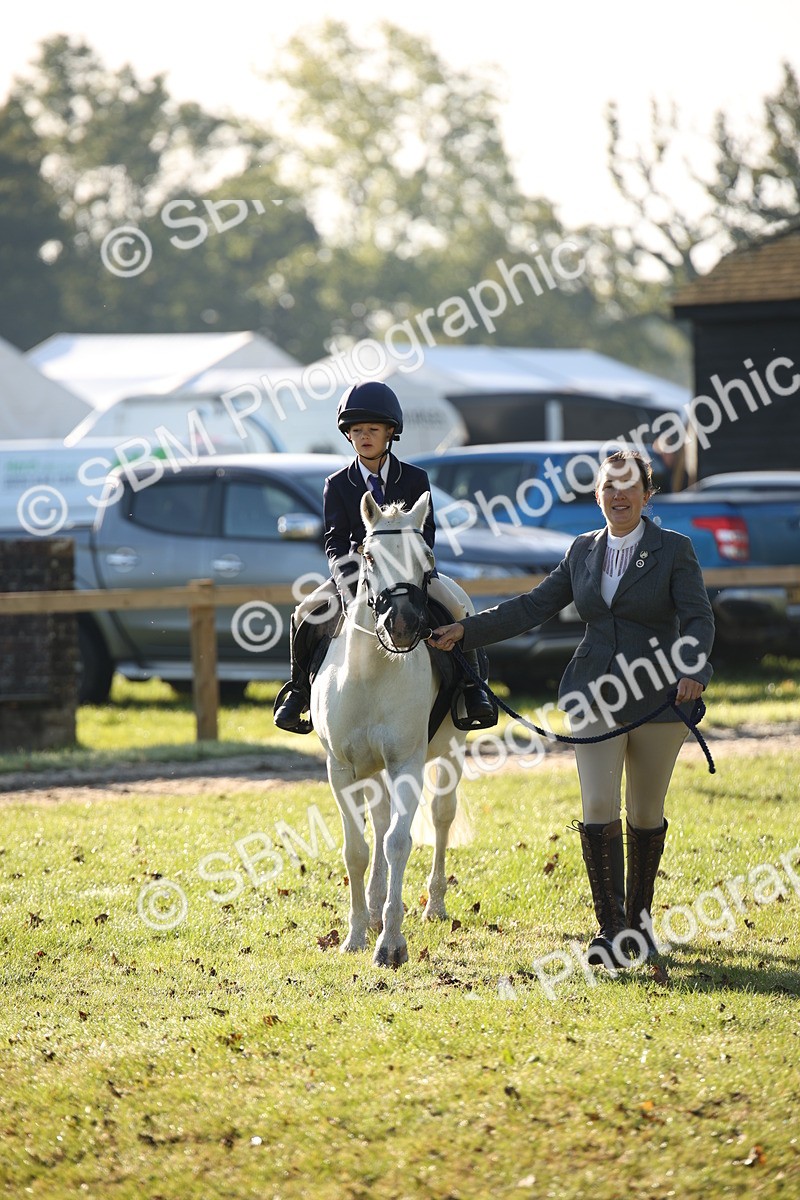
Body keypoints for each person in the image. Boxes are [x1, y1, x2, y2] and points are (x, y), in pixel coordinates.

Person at [428, 449, 715, 967]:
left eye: (629, 486)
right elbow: (533, 606)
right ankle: (611, 932)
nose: (619, 495)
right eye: (609, 486)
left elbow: (698, 620)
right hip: (594, 693)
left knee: (646, 814)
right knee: (597, 807)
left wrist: (694, 669)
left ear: (647, 496)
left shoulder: (675, 550)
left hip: (659, 697)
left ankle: (641, 926)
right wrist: (467, 630)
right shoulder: (582, 550)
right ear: (597, 493)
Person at [273, 380, 496, 733]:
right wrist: (349, 575)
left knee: (457, 606)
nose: (364, 437)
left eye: (372, 430)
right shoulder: (337, 483)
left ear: (390, 432)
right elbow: (335, 540)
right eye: (357, 430)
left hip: (409, 572)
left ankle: (473, 689)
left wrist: (413, 565)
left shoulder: (415, 478)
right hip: (356, 574)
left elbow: (429, 531)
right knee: (303, 613)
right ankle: (298, 692)